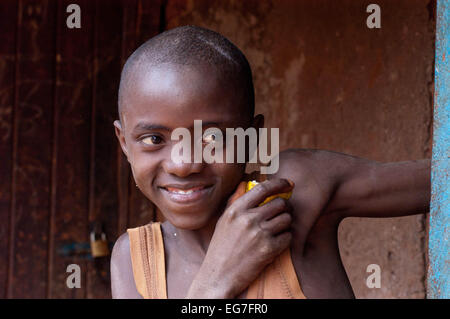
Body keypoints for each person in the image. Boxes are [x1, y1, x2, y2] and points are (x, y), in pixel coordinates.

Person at [111, 25, 430, 299]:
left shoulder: (296, 193)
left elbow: (437, 183)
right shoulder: (136, 260)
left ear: (251, 137)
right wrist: (213, 283)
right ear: (125, 144)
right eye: (154, 139)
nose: (183, 165)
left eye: (212, 139)